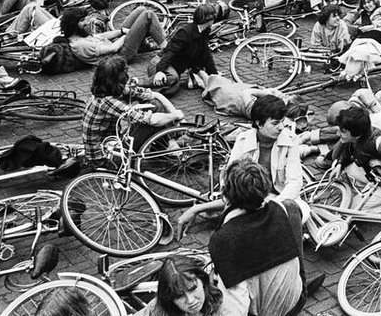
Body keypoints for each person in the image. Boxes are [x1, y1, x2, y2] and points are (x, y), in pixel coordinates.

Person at [177, 95, 308, 233]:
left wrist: (272, 205)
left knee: (300, 211)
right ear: (259, 123)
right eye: (275, 123)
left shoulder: (290, 140)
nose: (281, 127)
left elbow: (295, 183)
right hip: (252, 201)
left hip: (280, 200)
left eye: (282, 121)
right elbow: (230, 179)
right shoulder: (243, 140)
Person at [208, 158, 317, 316]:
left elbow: (237, 309)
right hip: (296, 300)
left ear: (226, 193)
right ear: (265, 188)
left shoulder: (222, 239)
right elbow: (302, 209)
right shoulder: (283, 209)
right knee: (293, 209)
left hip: (265, 312)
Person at [81, 56, 183, 165]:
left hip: (112, 143)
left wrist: (178, 116)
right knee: (149, 123)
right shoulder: (106, 102)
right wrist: (174, 116)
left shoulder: (106, 89)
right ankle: (168, 151)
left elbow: (154, 95)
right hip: (105, 159)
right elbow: (151, 120)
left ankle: (168, 147)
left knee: (154, 106)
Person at [148, 3, 220, 95]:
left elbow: (206, 55)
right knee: (173, 78)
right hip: (159, 63)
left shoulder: (204, 31)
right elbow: (170, 52)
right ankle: (138, 83)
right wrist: (160, 71)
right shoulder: (185, 32)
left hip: (173, 68)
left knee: (171, 90)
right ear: (208, 19)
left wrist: (214, 76)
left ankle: (149, 91)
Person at [130, 254, 223, 316]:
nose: (190, 300)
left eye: (193, 288)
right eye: (179, 296)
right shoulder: (158, 308)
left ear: (202, 280)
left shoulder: (224, 305)